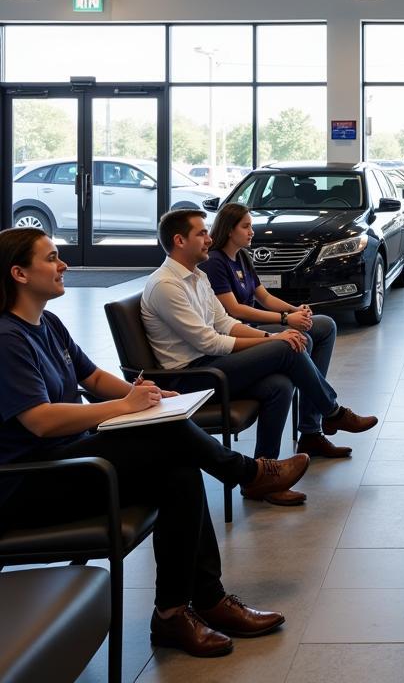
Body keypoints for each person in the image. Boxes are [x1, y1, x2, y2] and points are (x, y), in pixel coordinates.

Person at [0, 227, 310, 658]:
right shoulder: (6, 338)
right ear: (18, 273)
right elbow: (40, 421)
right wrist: (125, 408)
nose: (63, 264)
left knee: (179, 473)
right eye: (52, 258)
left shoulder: (47, 323)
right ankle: (249, 474)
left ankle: (183, 609)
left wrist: (148, 392)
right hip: (32, 482)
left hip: (73, 460)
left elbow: (91, 377)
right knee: (166, 435)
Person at [141, 209, 377, 506]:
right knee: (285, 347)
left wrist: (279, 329)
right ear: (179, 240)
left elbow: (225, 322)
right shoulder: (167, 286)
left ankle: (263, 478)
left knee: (279, 384)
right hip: (189, 378)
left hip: (210, 365)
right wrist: (272, 337)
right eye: (201, 233)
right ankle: (331, 411)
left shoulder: (197, 276)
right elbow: (208, 340)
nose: (208, 238)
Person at [204, 203, 348, 460]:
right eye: (246, 227)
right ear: (228, 230)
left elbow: (264, 297)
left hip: (249, 328)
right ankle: (329, 414)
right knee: (300, 339)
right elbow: (235, 311)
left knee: (324, 326)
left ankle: (311, 430)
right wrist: (285, 320)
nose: (252, 232)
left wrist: (296, 311)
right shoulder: (215, 263)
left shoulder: (242, 256)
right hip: (238, 332)